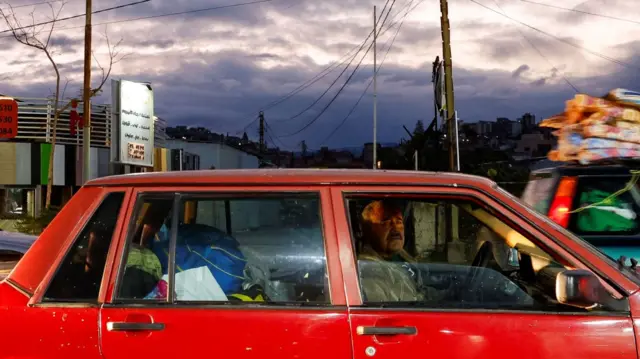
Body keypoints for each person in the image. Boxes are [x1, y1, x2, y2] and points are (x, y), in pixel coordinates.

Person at [357, 200, 424, 302]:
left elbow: (422, 292)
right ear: (367, 230)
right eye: (386, 222)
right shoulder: (368, 271)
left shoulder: (402, 256)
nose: (395, 228)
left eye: (399, 221)